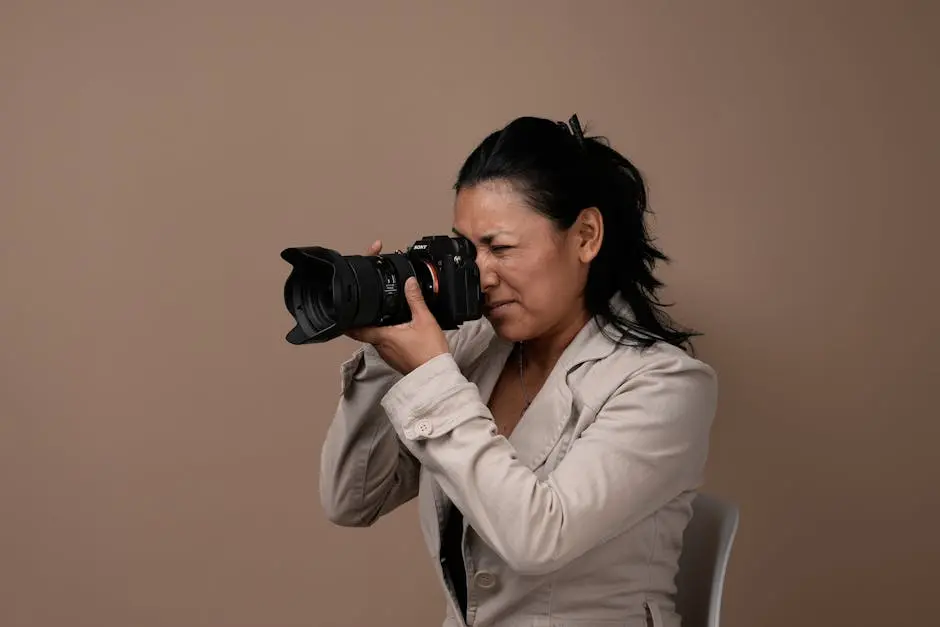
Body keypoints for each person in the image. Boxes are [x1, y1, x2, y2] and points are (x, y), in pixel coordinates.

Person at [318, 114, 718, 627]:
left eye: (500, 247)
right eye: (468, 248)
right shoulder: (478, 351)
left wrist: (432, 376)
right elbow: (350, 501)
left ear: (586, 236)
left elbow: (537, 539)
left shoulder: (665, 386)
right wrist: (383, 352)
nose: (480, 275)